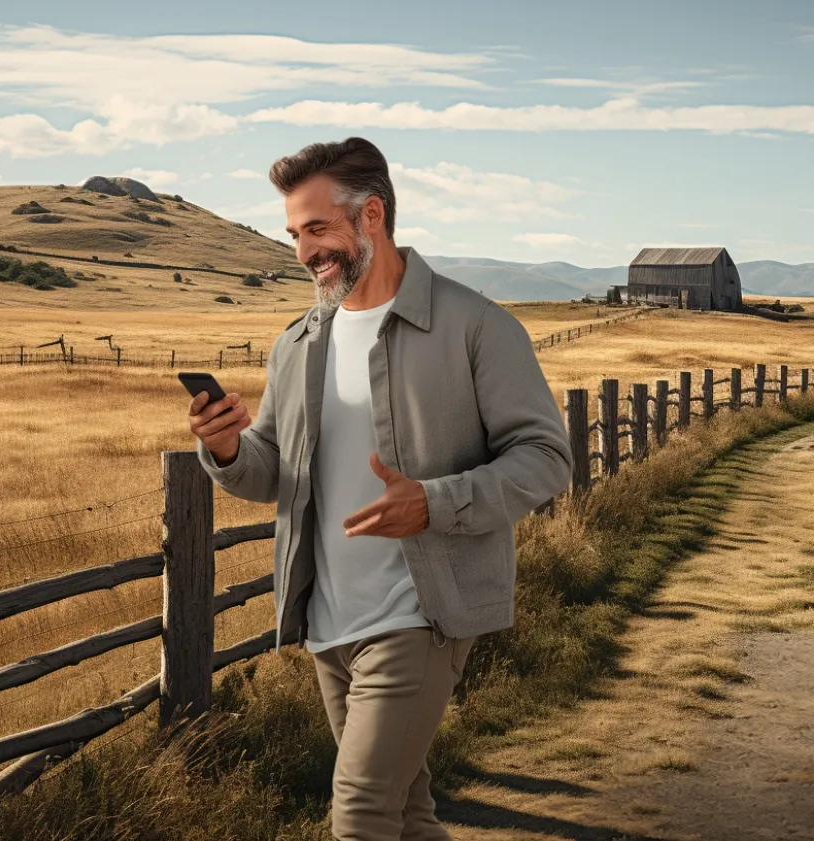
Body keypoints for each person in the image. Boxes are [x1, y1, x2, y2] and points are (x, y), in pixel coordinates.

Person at [186, 137, 572, 840]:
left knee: (360, 813)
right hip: (328, 620)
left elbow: (546, 458)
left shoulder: (474, 324)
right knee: (406, 814)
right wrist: (226, 447)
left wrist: (434, 501)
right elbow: (275, 472)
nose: (304, 251)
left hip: (419, 614)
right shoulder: (299, 340)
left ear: (371, 216)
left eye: (317, 229)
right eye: (295, 234)